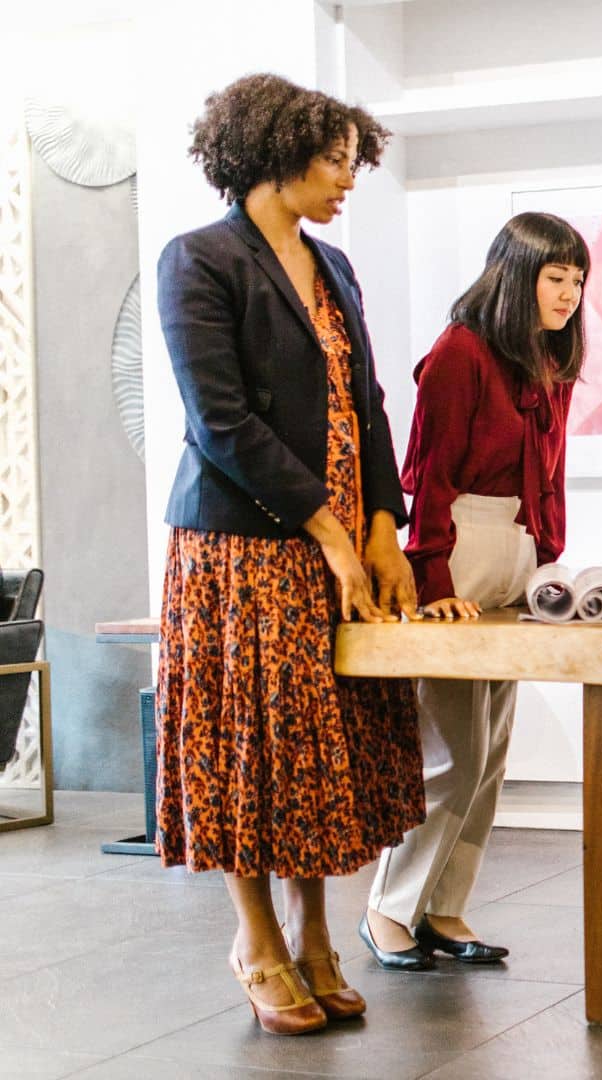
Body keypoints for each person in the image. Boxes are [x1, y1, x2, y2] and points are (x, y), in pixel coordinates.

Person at [154, 74, 422, 1035]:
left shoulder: (335, 266)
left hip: (341, 543)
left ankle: (317, 934)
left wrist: (385, 527)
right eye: (336, 158)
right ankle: (257, 938)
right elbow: (218, 420)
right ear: (276, 148)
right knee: (253, 752)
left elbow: (369, 405)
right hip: (243, 551)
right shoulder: (197, 260)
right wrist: (328, 530)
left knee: (322, 750)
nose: (349, 177)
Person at [361, 213, 586, 971]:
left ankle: (445, 907)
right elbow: (426, 474)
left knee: (490, 753)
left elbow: (548, 481)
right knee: (450, 750)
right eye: (556, 277)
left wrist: (548, 565)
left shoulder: (547, 362)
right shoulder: (461, 353)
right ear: (517, 277)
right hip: (453, 552)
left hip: (515, 559)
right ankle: (389, 910)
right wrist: (430, 581)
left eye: (578, 280)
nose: (569, 293)